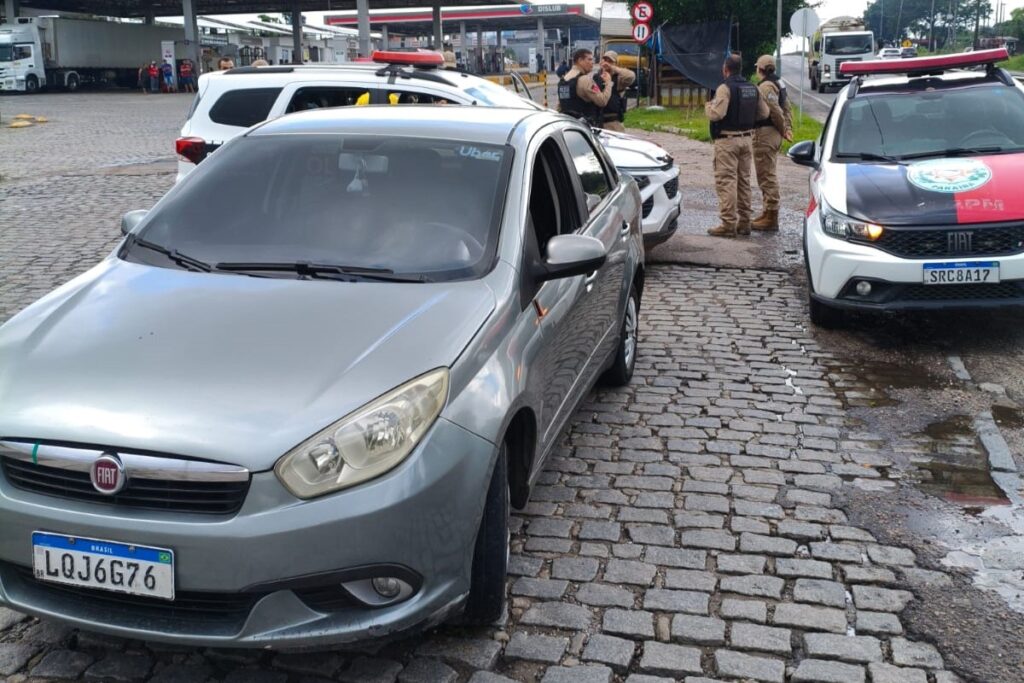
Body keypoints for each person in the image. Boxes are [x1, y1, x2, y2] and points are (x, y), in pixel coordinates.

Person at [704, 52, 769, 238]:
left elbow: (717, 114)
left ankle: (728, 223)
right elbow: (764, 113)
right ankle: (745, 223)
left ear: (725, 69)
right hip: (747, 140)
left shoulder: (725, 88)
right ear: (741, 69)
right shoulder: (752, 88)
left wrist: (708, 106)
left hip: (727, 140)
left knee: (727, 181)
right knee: (744, 182)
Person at [751, 54, 793, 232]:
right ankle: (767, 212)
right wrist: (788, 127)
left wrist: (784, 128)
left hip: (766, 135)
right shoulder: (778, 82)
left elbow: (775, 111)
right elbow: (787, 107)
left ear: (759, 69)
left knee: (766, 176)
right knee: (767, 174)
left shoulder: (766, 87)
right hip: (773, 134)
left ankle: (771, 216)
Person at [557, 48, 613, 127]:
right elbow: (602, 101)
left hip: (568, 127)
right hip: (585, 129)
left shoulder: (564, 80)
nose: (592, 63)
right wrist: (608, 83)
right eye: (589, 59)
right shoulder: (585, 80)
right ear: (580, 60)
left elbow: (560, 106)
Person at [595, 51, 635, 132]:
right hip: (598, 121)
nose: (606, 63)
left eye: (610, 61)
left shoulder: (619, 78)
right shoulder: (596, 76)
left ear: (615, 63)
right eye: (605, 60)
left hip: (613, 122)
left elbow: (631, 76)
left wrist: (612, 68)